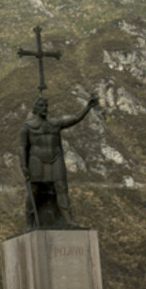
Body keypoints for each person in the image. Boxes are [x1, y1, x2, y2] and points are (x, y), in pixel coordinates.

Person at [19, 93, 99, 229]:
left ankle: (68, 220)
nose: (44, 108)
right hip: (36, 160)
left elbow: (75, 118)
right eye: (41, 106)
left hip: (55, 159)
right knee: (34, 190)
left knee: (62, 188)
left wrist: (87, 107)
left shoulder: (55, 124)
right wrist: (23, 166)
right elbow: (23, 147)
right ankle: (29, 222)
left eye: (46, 105)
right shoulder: (27, 127)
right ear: (36, 109)